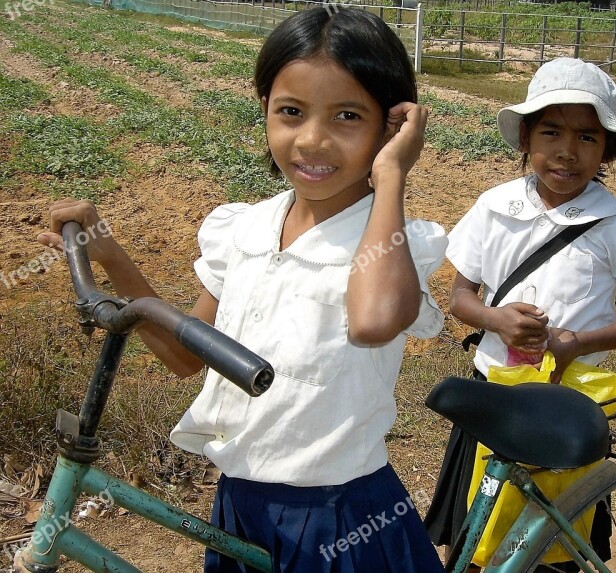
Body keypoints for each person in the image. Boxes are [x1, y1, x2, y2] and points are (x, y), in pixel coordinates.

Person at [39, 8, 446, 573]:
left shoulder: (396, 240)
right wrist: (110, 255)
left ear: (390, 128)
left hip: (340, 515)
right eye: (291, 112)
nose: (312, 140)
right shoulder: (244, 228)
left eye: (347, 116)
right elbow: (185, 352)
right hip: (239, 501)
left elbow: (375, 321)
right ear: (265, 113)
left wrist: (393, 175)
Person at [424, 57, 616, 570]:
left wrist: (575, 342)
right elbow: (461, 297)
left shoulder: (614, 224)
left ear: (606, 149)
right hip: (493, 397)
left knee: (557, 539)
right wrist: (496, 319)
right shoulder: (494, 207)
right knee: (477, 537)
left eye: (586, 137)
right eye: (551, 131)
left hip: (566, 404)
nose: (566, 151)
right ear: (525, 140)